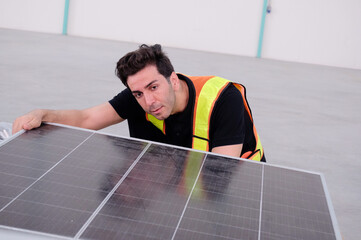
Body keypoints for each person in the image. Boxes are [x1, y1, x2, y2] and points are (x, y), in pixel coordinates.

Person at [12, 44, 265, 161]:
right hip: (181, 185)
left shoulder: (223, 99)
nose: (149, 101)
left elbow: (220, 172)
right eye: (139, 93)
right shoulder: (138, 96)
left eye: (154, 87)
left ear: (173, 80)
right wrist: (44, 114)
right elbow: (86, 118)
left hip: (241, 187)